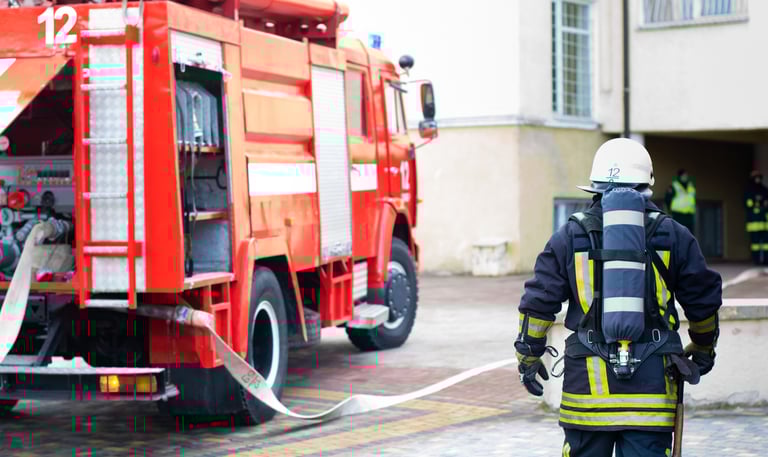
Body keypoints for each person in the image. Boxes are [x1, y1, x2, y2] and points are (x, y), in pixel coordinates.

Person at [514, 138, 722, 457]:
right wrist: (704, 347)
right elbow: (703, 300)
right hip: (652, 392)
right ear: (646, 185)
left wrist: (528, 356)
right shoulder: (674, 235)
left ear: (595, 186)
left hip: (586, 393)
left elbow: (538, 302)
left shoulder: (569, 236)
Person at [744, 170, 768, 265]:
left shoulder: (764, 190)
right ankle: (756, 260)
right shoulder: (749, 190)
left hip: (765, 223)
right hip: (754, 223)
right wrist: (757, 204)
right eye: (755, 177)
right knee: (755, 244)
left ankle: (766, 260)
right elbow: (747, 203)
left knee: (766, 244)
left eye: (759, 177)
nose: (757, 179)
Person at [664, 169, 696, 234]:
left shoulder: (691, 186)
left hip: (689, 216)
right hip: (678, 215)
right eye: (683, 175)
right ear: (679, 176)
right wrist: (669, 211)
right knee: (678, 234)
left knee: (689, 235)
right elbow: (667, 199)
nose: (685, 177)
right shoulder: (674, 185)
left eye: (686, 175)